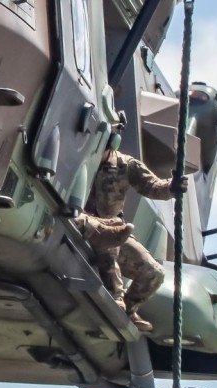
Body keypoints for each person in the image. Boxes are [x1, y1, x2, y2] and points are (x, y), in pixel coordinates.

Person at [77, 135, 186, 331]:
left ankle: (127, 308)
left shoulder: (125, 165)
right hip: (80, 222)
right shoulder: (79, 153)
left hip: (114, 229)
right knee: (110, 243)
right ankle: (116, 298)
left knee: (153, 273)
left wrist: (172, 187)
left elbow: (152, 187)